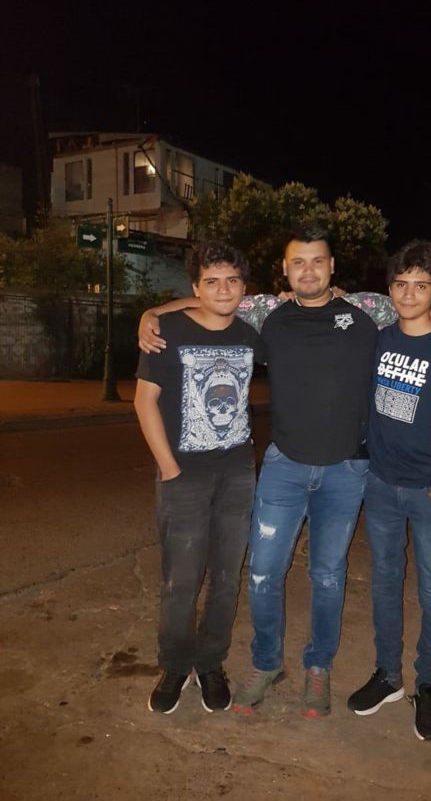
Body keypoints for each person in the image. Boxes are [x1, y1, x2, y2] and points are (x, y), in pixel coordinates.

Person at [138, 223, 431, 718]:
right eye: (298, 262)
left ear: (332, 267)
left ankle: (318, 666)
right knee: (263, 572)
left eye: (318, 261)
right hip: (283, 466)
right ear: (285, 270)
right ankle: (266, 663)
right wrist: (151, 313)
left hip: (347, 471)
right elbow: (210, 298)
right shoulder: (266, 311)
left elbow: (426, 309)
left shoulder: (367, 309)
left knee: (328, 576)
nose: (308, 271)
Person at [346, 239, 431, 742]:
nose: (409, 294)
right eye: (401, 284)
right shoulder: (378, 338)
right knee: (385, 582)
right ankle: (388, 675)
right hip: (381, 484)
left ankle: (429, 684)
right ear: (390, 289)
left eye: (420, 285)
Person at [134, 240, 264, 714]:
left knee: (227, 577)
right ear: (195, 287)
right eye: (211, 281)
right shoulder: (166, 331)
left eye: (232, 280)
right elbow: (144, 401)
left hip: (237, 473)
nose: (223, 290)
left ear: (244, 287)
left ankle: (210, 662)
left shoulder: (250, 334)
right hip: (183, 477)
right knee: (181, 580)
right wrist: (169, 467)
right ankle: (174, 664)